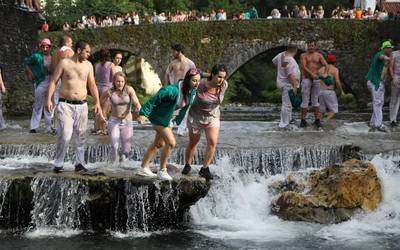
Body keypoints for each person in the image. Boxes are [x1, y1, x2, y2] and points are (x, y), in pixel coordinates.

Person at [46, 40, 103, 173]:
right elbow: (54, 81)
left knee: (81, 136)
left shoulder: (88, 65)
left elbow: (92, 85)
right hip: (65, 104)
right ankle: (59, 163)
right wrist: (48, 99)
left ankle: (80, 163)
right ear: (79, 51)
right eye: (87, 51)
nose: (89, 54)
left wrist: (98, 103)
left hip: (82, 105)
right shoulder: (64, 63)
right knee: (65, 134)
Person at [137, 69, 201, 180]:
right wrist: (143, 113)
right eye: (194, 80)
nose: (197, 83)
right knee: (171, 143)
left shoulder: (192, 92)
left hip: (167, 119)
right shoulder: (172, 90)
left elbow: (185, 108)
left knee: (158, 144)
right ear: (187, 80)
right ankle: (162, 170)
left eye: (198, 81)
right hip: (158, 117)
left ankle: (143, 168)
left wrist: (176, 122)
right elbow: (155, 98)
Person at [181, 64, 228, 181]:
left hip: (212, 116)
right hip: (196, 116)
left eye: (223, 77)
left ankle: (205, 168)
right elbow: (192, 73)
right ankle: (187, 165)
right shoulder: (200, 83)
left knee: (212, 142)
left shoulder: (224, 85)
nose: (221, 80)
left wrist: (219, 79)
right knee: (193, 142)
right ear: (212, 75)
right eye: (219, 77)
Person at [101, 72, 141, 163]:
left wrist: (139, 111)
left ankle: (124, 165)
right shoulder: (109, 92)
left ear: (125, 82)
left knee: (126, 148)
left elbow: (136, 102)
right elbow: (99, 102)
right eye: (118, 81)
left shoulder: (129, 90)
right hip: (114, 121)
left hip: (127, 121)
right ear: (114, 82)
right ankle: (113, 165)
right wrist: (102, 115)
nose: (120, 83)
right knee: (114, 146)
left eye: (122, 81)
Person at [24, 38, 55, 134]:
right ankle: (33, 127)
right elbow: (26, 62)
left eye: (47, 46)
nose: (45, 48)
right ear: (40, 47)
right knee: (38, 105)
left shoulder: (54, 57)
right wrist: (29, 73)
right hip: (41, 82)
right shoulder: (36, 56)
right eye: (43, 46)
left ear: (50, 47)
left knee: (49, 105)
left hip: (52, 82)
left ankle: (49, 127)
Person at [299, 40, 328, 128]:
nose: (311, 47)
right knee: (305, 100)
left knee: (316, 100)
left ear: (315, 46)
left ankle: (317, 120)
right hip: (307, 78)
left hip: (316, 79)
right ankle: (303, 120)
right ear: (307, 46)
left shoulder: (319, 55)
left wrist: (325, 73)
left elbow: (326, 65)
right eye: (309, 46)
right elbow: (303, 66)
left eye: (312, 46)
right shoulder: (303, 55)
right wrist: (311, 74)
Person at [366, 41, 393, 132]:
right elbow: (382, 57)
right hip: (374, 82)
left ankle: (373, 122)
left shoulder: (386, 59)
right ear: (384, 48)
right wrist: (387, 59)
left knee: (379, 103)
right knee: (378, 103)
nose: (390, 49)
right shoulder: (380, 54)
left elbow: (384, 74)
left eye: (391, 48)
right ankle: (379, 124)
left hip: (377, 82)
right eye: (389, 48)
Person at [272, 44, 300, 129]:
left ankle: (288, 120)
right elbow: (289, 75)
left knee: (288, 104)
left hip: (281, 82)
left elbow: (274, 61)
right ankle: (283, 125)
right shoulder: (290, 60)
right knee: (287, 104)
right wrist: (294, 87)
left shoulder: (281, 54)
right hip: (287, 84)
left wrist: (280, 70)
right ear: (295, 49)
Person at [318, 54, 345, 121]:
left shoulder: (321, 69)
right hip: (329, 92)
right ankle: (324, 122)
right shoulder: (335, 69)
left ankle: (317, 124)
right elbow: (337, 81)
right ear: (335, 61)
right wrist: (341, 91)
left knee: (321, 111)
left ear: (326, 61)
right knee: (334, 111)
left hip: (320, 92)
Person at [93, 49, 113, 135]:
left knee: (98, 109)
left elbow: (95, 78)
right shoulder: (111, 65)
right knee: (105, 110)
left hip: (97, 88)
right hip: (107, 89)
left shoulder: (96, 65)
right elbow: (113, 78)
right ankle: (103, 129)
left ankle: (96, 127)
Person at [51, 36, 74, 106]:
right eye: (71, 43)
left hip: (56, 80)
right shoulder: (70, 52)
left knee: (56, 101)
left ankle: (55, 116)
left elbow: (52, 67)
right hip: (65, 80)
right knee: (67, 102)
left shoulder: (55, 53)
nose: (72, 45)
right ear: (67, 43)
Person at [390, 43, 400, 127]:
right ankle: (392, 119)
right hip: (396, 76)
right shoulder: (394, 53)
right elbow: (390, 67)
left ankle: (395, 118)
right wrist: (393, 77)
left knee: (399, 100)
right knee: (394, 98)